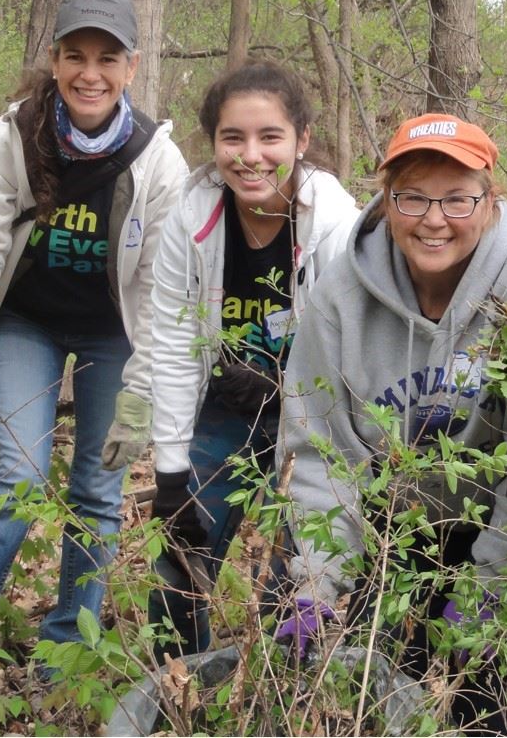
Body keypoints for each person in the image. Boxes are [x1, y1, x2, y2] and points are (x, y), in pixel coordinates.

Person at [0, 0, 188, 708]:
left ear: (132, 66)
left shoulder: (158, 162)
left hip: (113, 334)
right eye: (75, 56)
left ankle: (67, 648)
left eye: (107, 59)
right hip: (25, 321)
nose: (91, 73)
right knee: (18, 478)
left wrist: (143, 393)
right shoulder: (8, 139)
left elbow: (159, 292)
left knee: (97, 488)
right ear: (53, 60)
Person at [274, 113, 507, 735]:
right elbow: (319, 448)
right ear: (387, 198)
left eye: (456, 197)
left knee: (485, 679)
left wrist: (488, 593)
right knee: (381, 668)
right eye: (412, 196)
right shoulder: (341, 292)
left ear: (489, 198)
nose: (434, 218)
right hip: (400, 502)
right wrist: (316, 579)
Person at [146, 60, 358, 659]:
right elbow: (171, 340)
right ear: (212, 143)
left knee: (299, 580)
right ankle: (180, 689)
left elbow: (355, 351)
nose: (250, 156)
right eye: (232, 138)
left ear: (302, 140)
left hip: (316, 417)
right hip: (227, 407)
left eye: (270, 137)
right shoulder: (191, 216)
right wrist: (169, 473)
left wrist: (283, 391)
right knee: (176, 561)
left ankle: (276, 696)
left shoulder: (337, 227)